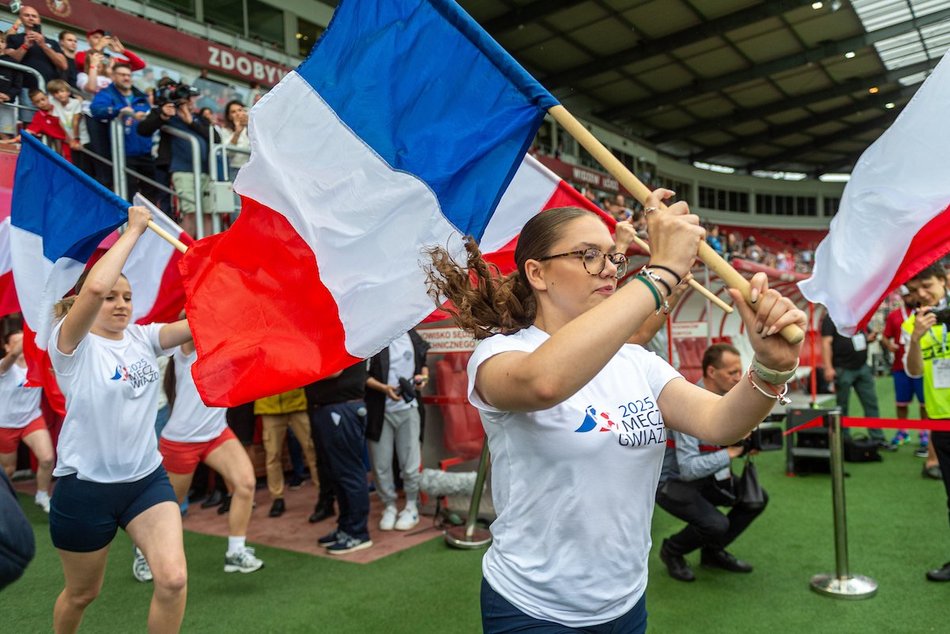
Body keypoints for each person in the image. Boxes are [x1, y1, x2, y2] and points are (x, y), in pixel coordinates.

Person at [425, 190, 805, 632]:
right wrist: (661, 272)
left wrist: (773, 368)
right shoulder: (500, 354)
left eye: (612, 256)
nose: (609, 267)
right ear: (537, 273)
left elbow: (721, 423)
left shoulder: (635, 361)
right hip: (532, 608)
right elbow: (543, 382)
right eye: (589, 255)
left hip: (625, 602)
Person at [48, 206, 192, 633]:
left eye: (127, 298)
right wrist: (134, 230)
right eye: (113, 297)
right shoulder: (69, 345)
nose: (120, 304)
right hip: (85, 489)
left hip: (145, 481)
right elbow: (93, 288)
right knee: (82, 594)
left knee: (173, 579)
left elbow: (196, 327)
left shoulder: (143, 338)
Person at [656, 343, 767, 582]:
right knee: (717, 524)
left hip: (707, 478)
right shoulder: (689, 402)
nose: (739, 378)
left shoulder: (727, 399)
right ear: (711, 372)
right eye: (732, 373)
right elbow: (688, 469)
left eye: (740, 371)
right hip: (672, 483)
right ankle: (672, 551)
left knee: (755, 499)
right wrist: (731, 454)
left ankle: (712, 552)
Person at [156, 340, 263, 574]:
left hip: (216, 433)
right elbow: (193, 323)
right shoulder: (189, 350)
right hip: (180, 440)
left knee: (245, 484)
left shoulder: (229, 348)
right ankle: (144, 552)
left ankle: (235, 551)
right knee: (168, 508)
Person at [904, 263, 950, 583]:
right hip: (941, 420)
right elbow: (914, 372)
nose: (922, 293)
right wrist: (916, 339)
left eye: (927, 285)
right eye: (915, 289)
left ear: (944, 281)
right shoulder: (914, 323)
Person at [366, 329, 430, 531]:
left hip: (408, 408)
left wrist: (422, 379)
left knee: (410, 462)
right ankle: (389, 506)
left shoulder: (411, 334)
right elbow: (362, 375)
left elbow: (424, 365)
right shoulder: (374, 338)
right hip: (380, 410)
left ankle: (412, 505)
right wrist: (384, 389)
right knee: (381, 463)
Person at [309, 362, 374, 555]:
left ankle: (357, 532)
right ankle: (346, 528)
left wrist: (298, 373)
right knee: (337, 473)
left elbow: (333, 369)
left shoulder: (344, 333)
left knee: (349, 472)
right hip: (332, 407)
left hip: (341, 408)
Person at [0, 330, 54, 513]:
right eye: (16, 342)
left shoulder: (38, 363)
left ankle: (42, 494)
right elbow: (14, 354)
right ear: (7, 347)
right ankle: (5, 500)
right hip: (6, 424)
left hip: (32, 419)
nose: (22, 345)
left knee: (47, 459)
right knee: (8, 470)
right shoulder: (4, 368)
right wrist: (28, 336)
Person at [820, 311, 886, 446]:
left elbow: (862, 336)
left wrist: (869, 338)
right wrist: (828, 367)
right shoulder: (831, 317)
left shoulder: (858, 314)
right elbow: (826, 342)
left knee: (871, 402)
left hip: (862, 366)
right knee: (842, 406)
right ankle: (844, 439)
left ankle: (877, 438)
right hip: (843, 368)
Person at [254, 387, 318, 518]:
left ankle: (324, 493)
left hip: (297, 401)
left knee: (312, 450)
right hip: (268, 405)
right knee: (272, 455)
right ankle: (277, 498)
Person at [882, 286, 928, 454]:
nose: (910, 298)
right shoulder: (894, 316)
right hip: (900, 366)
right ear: (902, 297)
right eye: (907, 295)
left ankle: (925, 432)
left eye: (912, 294)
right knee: (901, 402)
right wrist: (889, 345)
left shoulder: (924, 315)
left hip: (922, 366)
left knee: (924, 403)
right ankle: (903, 431)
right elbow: (885, 336)